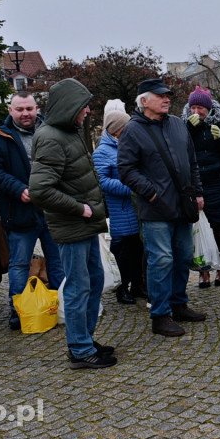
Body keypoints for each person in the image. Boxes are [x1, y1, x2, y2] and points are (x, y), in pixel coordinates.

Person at [29, 78, 114, 369]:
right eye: (83, 105)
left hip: (84, 225)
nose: (88, 110)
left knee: (94, 281)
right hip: (73, 226)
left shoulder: (69, 132)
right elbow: (41, 190)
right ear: (69, 106)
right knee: (78, 287)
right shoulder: (51, 136)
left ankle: (85, 340)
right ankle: (79, 350)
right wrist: (80, 209)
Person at [119, 78, 207, 338]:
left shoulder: (178, 125)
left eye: (168, 95)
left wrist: (198, 191)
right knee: (161, 260)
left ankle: (179, 304)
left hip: (183, 205)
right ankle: (160, 315)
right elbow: (126, 170)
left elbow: (192, 162)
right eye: (160, 96)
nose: (167, 98)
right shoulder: (132, 130)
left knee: (183, 255)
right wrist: (151, 192)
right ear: (144, 101)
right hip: (156, 209)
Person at [0, 92, 65, 330]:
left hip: (52, 209)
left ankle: (63, 306)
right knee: (19, 265)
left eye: (29, 108)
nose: (25, 113)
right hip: (18, 211)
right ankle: (19, 312)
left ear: (37, 108)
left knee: (58, 262)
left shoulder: (51, 131)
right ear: (10, 111)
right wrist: (19, 189)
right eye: (20, 109)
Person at [182, 86, 220, 287]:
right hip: (197, 181)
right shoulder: (184, 123)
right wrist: (189, 129)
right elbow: (179, 149)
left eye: (200, 108)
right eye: (193, 107)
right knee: (198, 226)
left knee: (219, 224)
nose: (196, 112)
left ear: (209, 108)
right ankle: (203, 269)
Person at [94, 109, 145, 305]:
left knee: (138, 250)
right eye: (125, 127)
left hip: (137, 209)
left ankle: (138, 286)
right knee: (123, 252)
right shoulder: (102, 152)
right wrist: (131, 187)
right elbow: (102, 182)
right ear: (116, 130)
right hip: (121, 210)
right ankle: (122, 288)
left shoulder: (130, 146)